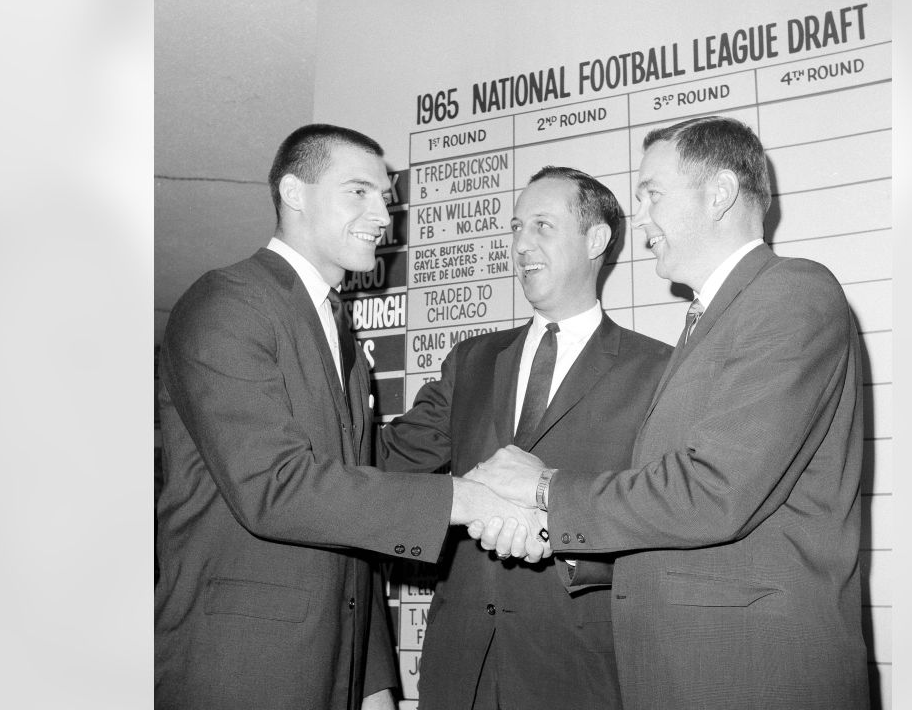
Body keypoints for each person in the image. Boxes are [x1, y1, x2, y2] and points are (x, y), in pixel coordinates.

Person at [468, 116, 871, 709]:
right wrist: (562, 539)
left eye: (653, 193)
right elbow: (689, 523)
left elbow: (714, 492)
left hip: (754, 678)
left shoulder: (791, 292)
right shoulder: (709, 322)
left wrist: (545, 491)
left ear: (720, 195)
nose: (642, 216)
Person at [155, 124, 548, 710]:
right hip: (235, 666)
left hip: (333, 667)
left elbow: (353, 500)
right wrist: (465, 500)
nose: (382, 214)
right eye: (358, 192)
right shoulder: (226, 303)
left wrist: (372, 681)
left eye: (385, 197)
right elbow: (275, 488)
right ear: (294, 193)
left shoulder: (336, 331)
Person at [378, 167, 671, 710]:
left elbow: (665, 519)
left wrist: (558, 540)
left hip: (577, 676)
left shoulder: (658, 371)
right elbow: (387, 463)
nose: (520, 244)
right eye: (515, 227)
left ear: (597, 239)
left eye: (541, 225)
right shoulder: (471, 361)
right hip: (457, 675)